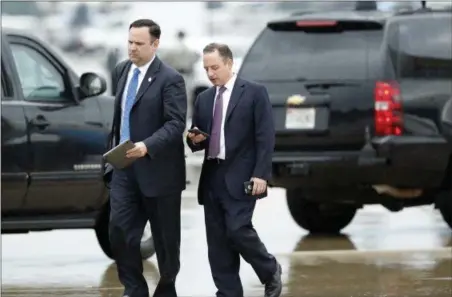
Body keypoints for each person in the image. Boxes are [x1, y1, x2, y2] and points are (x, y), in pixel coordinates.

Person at [186, 43, 282, 297]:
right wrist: (194, 140)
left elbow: (265, 137)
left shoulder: (253, 93)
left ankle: (269, 269)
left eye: (215, 67)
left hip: (242, 175)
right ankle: (228, 293)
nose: (210, 74)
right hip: (212, 177)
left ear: (229, 63)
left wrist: (261, 174)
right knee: (217, 243)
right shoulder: (204, 99)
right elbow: (200, 138)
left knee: (238, 230)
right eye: (206, 69)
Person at [106, 19, 187, 297]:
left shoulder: (170, 79)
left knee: (165, 242)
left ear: (155, 44)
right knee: (119, 231)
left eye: (139, 44)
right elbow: (118, 118)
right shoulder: (120, 71)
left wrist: (146, 145)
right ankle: (134, 289)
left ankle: (166, 289)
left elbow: (176, 124)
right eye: (130, 42)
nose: (132, 48)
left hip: (158, 171)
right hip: (124, 169)